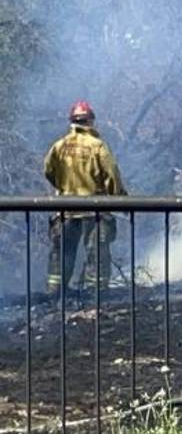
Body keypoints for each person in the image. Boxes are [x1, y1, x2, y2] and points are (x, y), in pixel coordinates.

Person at [43, 100, 126, 296]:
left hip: (66, 208)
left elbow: (48, 171)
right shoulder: (98, 146)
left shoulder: (59, 146)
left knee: (62, 252)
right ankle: (95, 294)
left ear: (72, 121)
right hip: (94, 209)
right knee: (96, 253)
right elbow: (111, 175)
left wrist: (64, 188)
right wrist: (118, 198)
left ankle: (55, 294)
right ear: (90, 122)